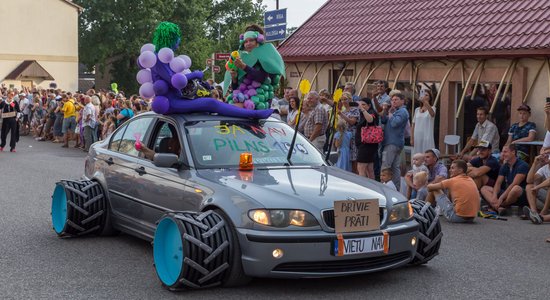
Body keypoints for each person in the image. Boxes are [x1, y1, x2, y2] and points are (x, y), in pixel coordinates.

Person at [480, 144, 529, 214]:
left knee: (515, 188)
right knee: (484, 188)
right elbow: (498, 183)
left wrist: (501, 198)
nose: (503, 154)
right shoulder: (504, 166)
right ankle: (499, 208)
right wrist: (494, 196)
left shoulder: (523, 165)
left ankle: (501, 205)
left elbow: (514, 184)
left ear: (513, 152)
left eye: (505, 152)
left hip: (519, 195)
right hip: (507, 193)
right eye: (502, 152)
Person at [380, 93, 409, 190]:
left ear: (402, 101)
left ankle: (383, 187)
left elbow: (394, 123)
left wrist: (391, 114)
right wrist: (385, 110)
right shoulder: (394, 111)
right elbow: (383, 120)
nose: (393, 101)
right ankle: (396, 189)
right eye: (392, 100)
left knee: (386, 165)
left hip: (392, 143)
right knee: (395, 167)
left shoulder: (403, 111)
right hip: (393, 142)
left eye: (396, 99)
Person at [523, 154, 550, 224]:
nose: (545, 156)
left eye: (548, 154)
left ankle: (542, 215)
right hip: (547, 198)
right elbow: (529, 180)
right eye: (544, 154)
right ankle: (534, 213)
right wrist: (535, 163)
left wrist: (538, 187)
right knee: (529, 187)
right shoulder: (545, 168)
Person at [355, 98, 379, 179]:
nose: (361, 106)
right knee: (369, 169)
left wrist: (362, 109)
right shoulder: (362, 114)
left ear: (369, 105)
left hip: (367, 145)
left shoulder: (371, 112)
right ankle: (372, 187)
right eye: (360, 104)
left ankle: (362, 187)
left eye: (364, 104)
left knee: (361, 167)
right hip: (365, 144)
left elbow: (370, 120)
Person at [338, 92, 359, 172]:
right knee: (345, 157)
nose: (343, 101)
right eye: (342, 99)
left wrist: (341, 115)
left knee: (353, 158)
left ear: (350, 99)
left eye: (345, 99)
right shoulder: (343, 110)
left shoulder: (354, 109)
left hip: (353, 136)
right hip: (344, 136)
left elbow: (352, 122)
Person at [411, 89, 436, 154]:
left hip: (427, 136)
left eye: (426, 95)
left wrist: (425, 102)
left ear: (430, 98)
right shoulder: (417, 110)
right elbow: (413, 125)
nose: (424, 96)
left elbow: (432, 114)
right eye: (423, 95)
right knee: (417, 154)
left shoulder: (432, 108)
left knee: (427, 153)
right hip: (417, 136)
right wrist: (412, 138)